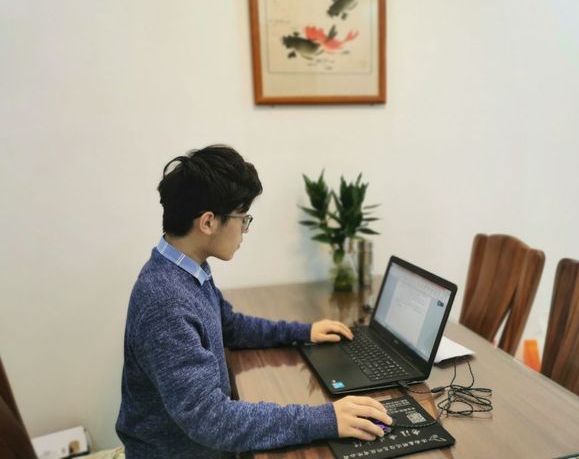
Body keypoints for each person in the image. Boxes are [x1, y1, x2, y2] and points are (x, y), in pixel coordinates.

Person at [116, 145, 392, 458]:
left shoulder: (187, 270)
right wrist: (326, 418)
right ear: (208, 222)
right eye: (243, 218)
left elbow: (230, 326)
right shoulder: (165, 302)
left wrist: (303, 332)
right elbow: (211, 419)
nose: (245, 230)